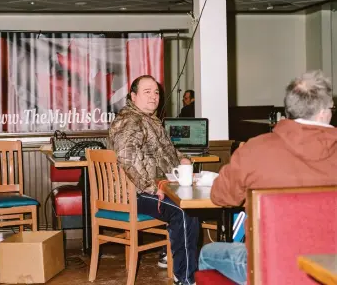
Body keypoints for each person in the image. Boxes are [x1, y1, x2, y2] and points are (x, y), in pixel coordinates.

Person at [198, 70, 337, 285]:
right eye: (331, 108)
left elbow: (220, 196)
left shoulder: (255, 149)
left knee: (207, 253)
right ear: (321, 113)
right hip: (331, 266)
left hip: (270, 266)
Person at [109, 75, 199, 285]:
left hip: (155, 187)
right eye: (147, 92)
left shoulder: (149, 119)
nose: (153, 96)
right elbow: (127, 156)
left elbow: (165, 151)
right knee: (184, 210)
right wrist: (151, 187)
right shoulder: (130, 121)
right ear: (133, 96)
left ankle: (170, 255)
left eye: (156, 92)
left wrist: (183, 158)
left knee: (188, 204)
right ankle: (185, 277)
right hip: (135, 194)